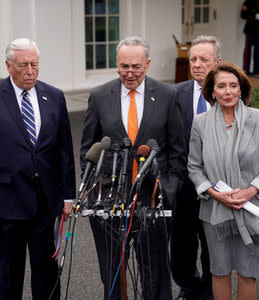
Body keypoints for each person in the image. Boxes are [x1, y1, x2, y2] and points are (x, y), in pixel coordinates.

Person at [0, 38, 76, 300]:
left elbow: (64, 150)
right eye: (23, 65)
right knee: (9, 274)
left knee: (47, 272)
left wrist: (68, 195)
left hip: (45, 202)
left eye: (35, 65)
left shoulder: (55, 96)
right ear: (8, 65)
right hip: (6, 205)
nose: (30, 71)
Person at [80, 36, 186, 300]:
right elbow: (87, 150)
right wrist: (94, 191)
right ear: (116, 65)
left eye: (136, 66)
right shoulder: (100, 95)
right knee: (113, 271)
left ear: (147, 64)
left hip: (153, 199)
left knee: (155, 271)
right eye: (124, 66)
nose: (129, 73)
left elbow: (178, 151)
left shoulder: (167, 96)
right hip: (109, 201)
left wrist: (170, 189)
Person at [187, 62, 259, 300]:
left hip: (252, 208)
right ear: (212, 91)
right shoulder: (200, 123)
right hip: (215, 212)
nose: (228, 91)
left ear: (242, 89)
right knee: (219, 271)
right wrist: (215, 193)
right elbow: (194, 167)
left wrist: (249, 192)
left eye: (233, 85)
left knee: (248, 273)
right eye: (221, 86)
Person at [172, 35, 222, 300]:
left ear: (218, 62)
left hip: (217, 187)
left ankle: (210, 289)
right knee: (182, 244)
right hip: (184, 186)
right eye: (193, 59)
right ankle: (188, 286)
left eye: (204, 59)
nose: (198, 64)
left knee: (213, 244)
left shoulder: (229, 93)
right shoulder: (174, 94)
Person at [241, 0, 259, 74]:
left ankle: (256, 69)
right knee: (248, 51)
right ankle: (246, 69)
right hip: (250, 29)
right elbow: (243, 15)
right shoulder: (247, 3)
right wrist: (253, 16)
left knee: (258, 50)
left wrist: (257, 16)